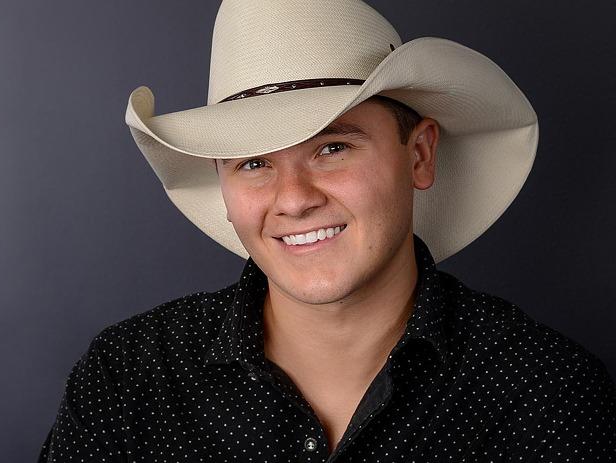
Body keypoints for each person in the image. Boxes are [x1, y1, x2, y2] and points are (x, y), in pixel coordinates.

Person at [39, 0, 616, 461]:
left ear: (419, 156)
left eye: (332, 147)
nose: (293, 199)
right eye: (254, 162)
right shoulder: (131, 378)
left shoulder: (546, 392)